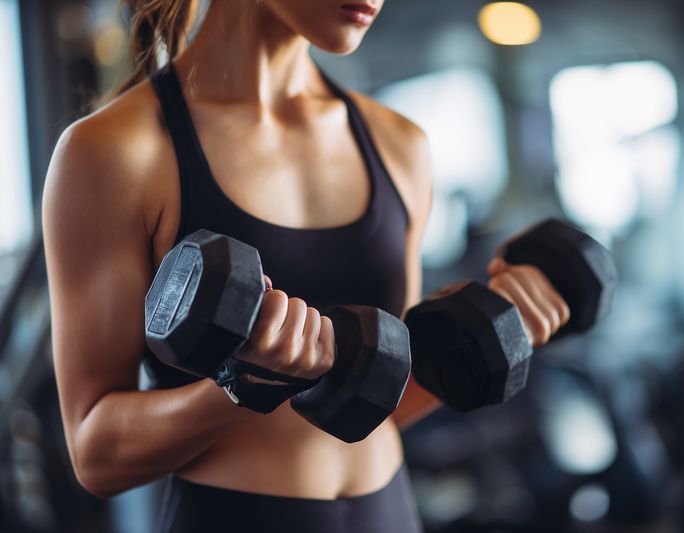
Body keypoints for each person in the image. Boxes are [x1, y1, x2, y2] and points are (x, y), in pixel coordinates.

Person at [42, 0, 570, 531]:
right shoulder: (115, 152)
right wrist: (240, 387)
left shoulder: (400, 145)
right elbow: (96, 454)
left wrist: (494, 335)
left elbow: (380, 397)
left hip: (388, 513)